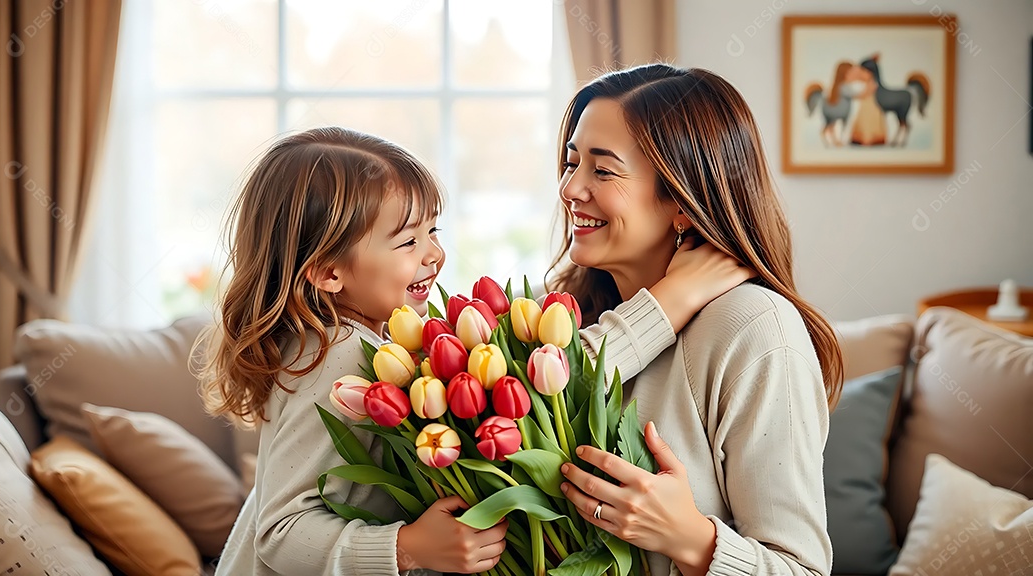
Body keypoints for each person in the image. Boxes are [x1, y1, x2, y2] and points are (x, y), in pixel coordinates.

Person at [199, 126, 749, 575]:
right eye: (407, 241)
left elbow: (531, 376)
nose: (434, 255)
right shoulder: (335, 355)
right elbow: (280, 532)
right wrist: (406, 548)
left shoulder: (368, 336)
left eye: (432, 230)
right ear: (328, 271)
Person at [554, 64, 844, 576]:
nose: (571, 188)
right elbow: (515, 398)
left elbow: (802, 570)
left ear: (682, 202)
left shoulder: (752, 328)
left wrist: (691, 540)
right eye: (573, 162)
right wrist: (669, 301)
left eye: (603, 170)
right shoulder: (565, 308)